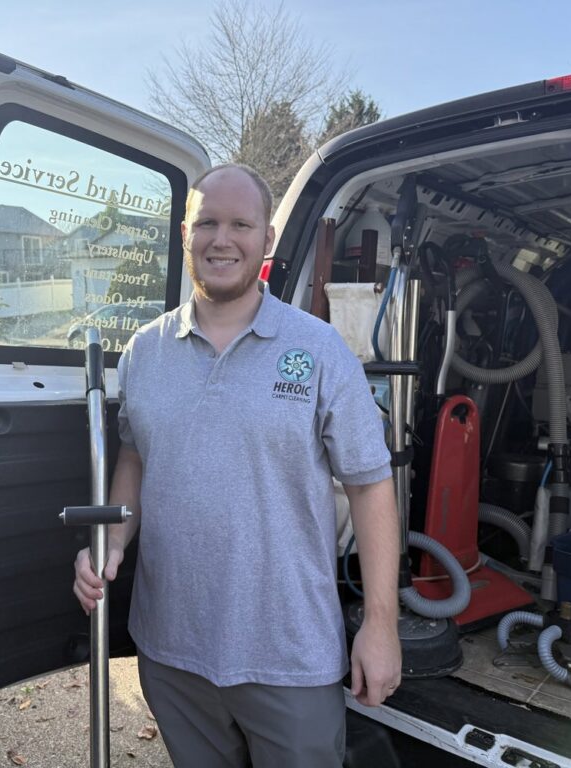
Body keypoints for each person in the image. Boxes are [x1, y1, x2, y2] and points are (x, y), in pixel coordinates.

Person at [73, 163, 401, 767]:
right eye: (208, 223)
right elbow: (134, 456)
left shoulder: (319, 350)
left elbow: (371, 486)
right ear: (184, 234)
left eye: (241, 224)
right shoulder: (144, 351)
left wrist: (381, 625)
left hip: (290, 657)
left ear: (267, 240)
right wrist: (111, 541)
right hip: (172, 653)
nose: (222, 240)